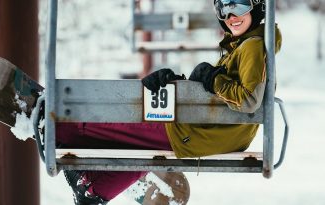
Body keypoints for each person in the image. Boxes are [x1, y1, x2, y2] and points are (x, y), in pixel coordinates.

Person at [56, 0, 282, 204]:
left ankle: (57, 128)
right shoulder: (244, 46)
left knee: (118, 122)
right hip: (208, 133)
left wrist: (213, 80)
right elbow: (223, 96)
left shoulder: (252, 45)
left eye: (239, 6)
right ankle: (95, 189)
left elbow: (249, 100)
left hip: (200, 133)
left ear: (258, 6)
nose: (231, 16)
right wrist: (181, 86)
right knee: (135, 141)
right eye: (223, 8)